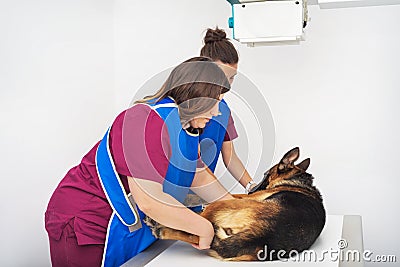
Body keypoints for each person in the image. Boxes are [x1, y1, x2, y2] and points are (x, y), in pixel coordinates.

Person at [45, 57, 235, 267]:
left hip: (122, 223)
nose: (217, 112)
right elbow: (149, 201)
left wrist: (237, 208)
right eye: (215, 101)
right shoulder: (144, 121)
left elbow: (199, 177)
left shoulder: (187, 131)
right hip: (85, 218)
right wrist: (204, 228)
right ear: (197, 95)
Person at [199, 27, 258, 194]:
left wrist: (251, 186)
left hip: (200, 195)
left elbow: (230, 155)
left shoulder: (223, 110)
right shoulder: (181, 107)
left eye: (232, 77)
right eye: (222, 76)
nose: (227, 84)